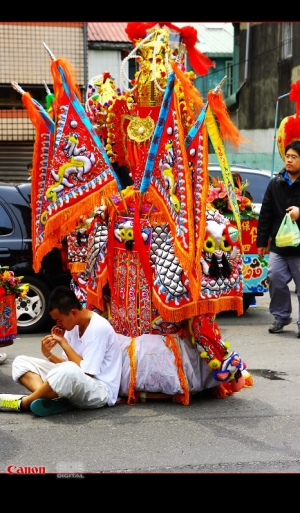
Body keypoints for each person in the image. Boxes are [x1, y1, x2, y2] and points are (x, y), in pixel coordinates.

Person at [0, 285, 122, 416]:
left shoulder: (98, 328)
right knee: (20, 362)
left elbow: (87, 373)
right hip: (75, 379)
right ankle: (46, 399)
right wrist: (48, 354)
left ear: (73, 312)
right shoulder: (73, 325)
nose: (58, 324)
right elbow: (66, 362)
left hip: (99, 391)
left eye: (59, 320)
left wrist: (64, 343)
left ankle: (25, 402)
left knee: (68, 370)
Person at [256, 140, 300, 336]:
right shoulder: (275, 183)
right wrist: (261, 241)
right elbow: (265, 213)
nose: (289, 161)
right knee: (274, 277)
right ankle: (281, 316)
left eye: (294, 157)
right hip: (279, 245)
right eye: (287, 156)